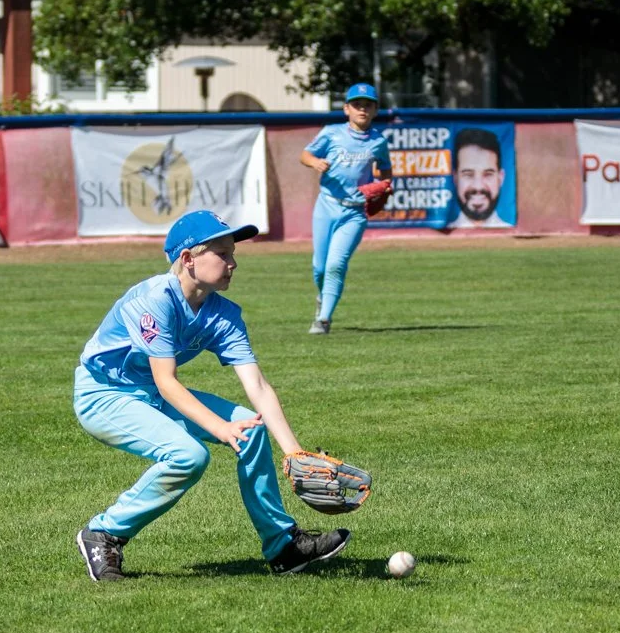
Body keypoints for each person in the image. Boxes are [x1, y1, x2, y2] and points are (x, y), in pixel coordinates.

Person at [73, 209, 351, 581]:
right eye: (222, 254)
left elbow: (258, 386)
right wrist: (220, 428)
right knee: (189, 456)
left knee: (250, 432)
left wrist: (293, 452)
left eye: (233, 253)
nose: (233, 263)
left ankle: (282, 545)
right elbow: (167, 381)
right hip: (103, 394)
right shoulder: (153, 299)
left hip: (150, 391)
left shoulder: (224, 314)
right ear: (188, 259)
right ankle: (105, 532)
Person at [299, 82, 394, 334]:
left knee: (335, 265)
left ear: (375, 110)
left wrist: (383, 185)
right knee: (319, 267)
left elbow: (385, 170)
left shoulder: (378, 141)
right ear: (346, 109)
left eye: (368, 105)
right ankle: (323, 298)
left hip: (355, 212)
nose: (362, 109)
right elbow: (304, 155)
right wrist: (315, 162)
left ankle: (324, 319)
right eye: (357, 104)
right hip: (327, 205)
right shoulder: (331, 133)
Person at [446, 127, 513, 229]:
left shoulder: (510, 234)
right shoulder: (439, 236)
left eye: (488, 174)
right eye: (468, 175)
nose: (478, 186)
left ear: (501, 178)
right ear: (455, 178)